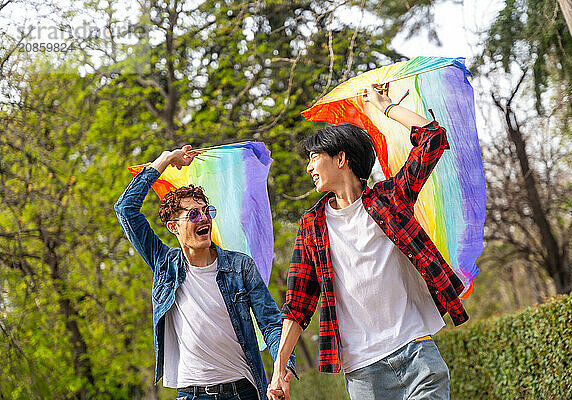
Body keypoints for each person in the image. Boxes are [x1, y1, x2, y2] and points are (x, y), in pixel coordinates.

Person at [267, 84, 468, 400]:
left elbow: (432, 140)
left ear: (341, 158)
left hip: (416, 350)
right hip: (364, 372)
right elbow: (298, 303)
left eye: (315, 157)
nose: (309, 167)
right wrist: (280, 368)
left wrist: (385, 107)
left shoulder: (389, 200)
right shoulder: (312, 226)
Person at [114, 145, 295, 400]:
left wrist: (281, 369)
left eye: (206, 211)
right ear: (173, 227)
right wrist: (165, 159)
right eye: (193, 214)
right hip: (192, 394)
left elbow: (272, 324)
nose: (204, 219)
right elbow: (125, 209)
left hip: (242, 392)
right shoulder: (166, 265)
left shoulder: (240, 266)